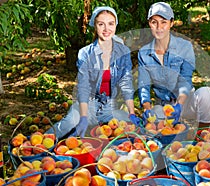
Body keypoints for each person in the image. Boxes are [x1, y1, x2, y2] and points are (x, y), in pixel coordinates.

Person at [47, 6, 141, 139]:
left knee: (128, 124)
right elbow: (83, 86)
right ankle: (38, 146)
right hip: (88, 104)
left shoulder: (123, 52)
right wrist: (84, 117)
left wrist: (131, 112)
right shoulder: (85, 53)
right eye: (101, 24)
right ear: (95, 27)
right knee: (70, 122)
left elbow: (126, 84)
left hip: (109, 105)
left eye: (110, 24)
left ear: (115, 25)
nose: (106, 29)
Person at [138, 2, 210, 128]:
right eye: (154, 22)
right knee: (156, 130)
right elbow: (144, 85)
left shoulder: (185, 47)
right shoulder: (144, 53)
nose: (159, 27)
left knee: (207, 94)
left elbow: (185, 79)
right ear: (149, 24)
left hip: (184, 101)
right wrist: (147, 108)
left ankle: (202, 135)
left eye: (163, 22)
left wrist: (179, 105)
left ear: (171, 23)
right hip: (163, 106)